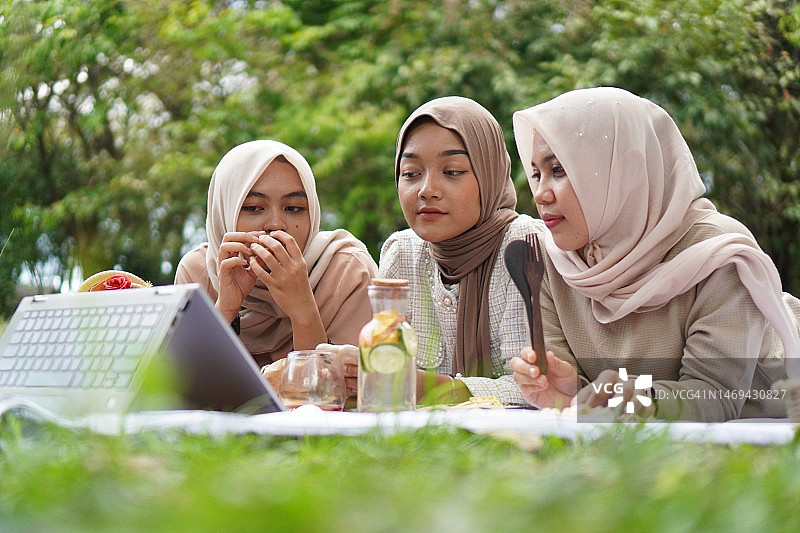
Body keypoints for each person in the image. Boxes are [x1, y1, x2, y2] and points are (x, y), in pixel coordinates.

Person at [509, 87, 800, 421]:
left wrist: (637, 395)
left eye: (558, 169)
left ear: (622, 172)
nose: (540, 194)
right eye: (536, 173)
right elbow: (595, 401)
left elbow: (715, 397)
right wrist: (567, 391)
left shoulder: (719, 255)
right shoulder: (553, 260)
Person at [378, 96, 546, 405]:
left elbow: (538, 386)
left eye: (453, 171)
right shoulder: (401, 253)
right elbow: (385, 371)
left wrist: (436, 389)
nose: (427, 189)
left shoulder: (522, 246)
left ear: (489, 173)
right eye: (411, 174)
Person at [175, 140, 378, 374]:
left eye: (293, 208)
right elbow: (183, 392)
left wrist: (303, 310)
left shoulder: (347, 272)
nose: (275, 225)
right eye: (253, 208)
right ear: (225, 210)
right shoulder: (198, 274)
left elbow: (346, 397)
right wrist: (225, 310)